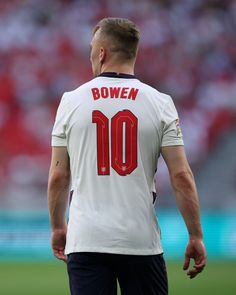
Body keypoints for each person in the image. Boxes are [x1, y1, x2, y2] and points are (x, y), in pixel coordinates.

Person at [48, 17, 206, 295]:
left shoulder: (71, 101)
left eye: (91, 50)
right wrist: (195, 234)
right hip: (140, 240)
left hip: (87, 239)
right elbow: (181, 176)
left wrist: (58, 227)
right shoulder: (160, 103)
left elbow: (59, 176)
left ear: (101, 53)